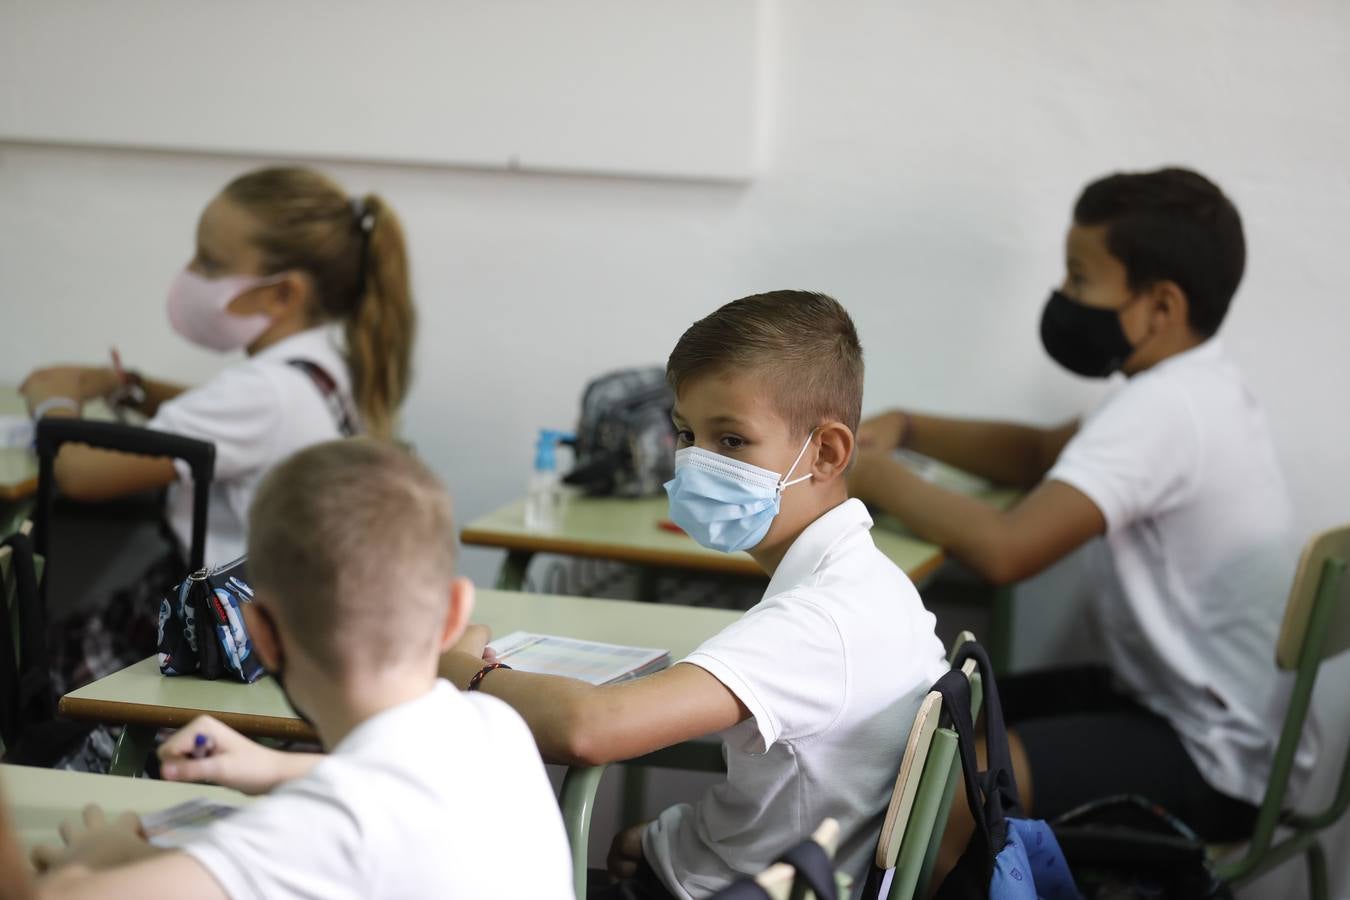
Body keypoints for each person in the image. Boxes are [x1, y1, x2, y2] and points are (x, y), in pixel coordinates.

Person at [847, 167, 1316, 859]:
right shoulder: (1191, 384)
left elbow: (1007, 551)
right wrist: (910, 426)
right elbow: (1041, 453)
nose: (1064, 298)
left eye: (1080, 279)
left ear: (1160, 306)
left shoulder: (1166, 410)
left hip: (1213, 759)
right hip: (1200, 719)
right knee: (925, 723)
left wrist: (862, 468)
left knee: (947, 789)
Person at [440, 291, 949, 899]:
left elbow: (590, 729)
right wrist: (668, 836)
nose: (695, 463)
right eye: (686, 433)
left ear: (827, 452)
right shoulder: (874, 583)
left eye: (732, 441)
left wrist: (461, 672)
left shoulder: (818, 622)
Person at [29, 439, 574, 900]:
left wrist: (98, 856)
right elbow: (403, 792)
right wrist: (272, 767)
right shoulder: (495, 727)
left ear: (260, 634)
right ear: (455, 614)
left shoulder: (315, 834)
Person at [19, 166, 416, 705]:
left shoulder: (262, 395)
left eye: (210, 263)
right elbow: (214, 413)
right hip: (277, 621)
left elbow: (78, 473)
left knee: (31, 670)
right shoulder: (319, 367)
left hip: (210, 627)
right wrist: (131, 386)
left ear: (281, 295)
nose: (191, 274)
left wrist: (53, 401)